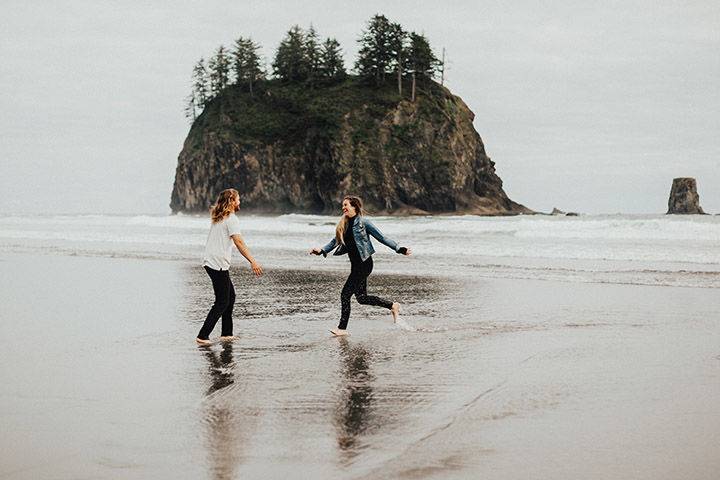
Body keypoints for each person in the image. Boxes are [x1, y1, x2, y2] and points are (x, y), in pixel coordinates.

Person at [310, 195, 411, 336]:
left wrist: (399, 248)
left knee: (345, 294)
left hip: (365, 264)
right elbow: (335, 241)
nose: (343, 207)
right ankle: (392, 306)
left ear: (354, 207)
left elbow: (382, 238)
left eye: (346, 205)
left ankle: (342, 328)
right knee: (362, 298)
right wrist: (321, 250)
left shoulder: (364, 223)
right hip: (355, 266)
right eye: (343, 205)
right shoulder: (343, 225)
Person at [196, 189, 263, 345]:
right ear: (232, 200)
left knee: (229, 297)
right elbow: (239, 242)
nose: (240, 202)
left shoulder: (219, 217)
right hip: (217, 263)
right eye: (238, 199)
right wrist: (252, 261)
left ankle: (227, 333)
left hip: (212, 261)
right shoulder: (231, 218)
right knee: (222, 301)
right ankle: (203, 335)